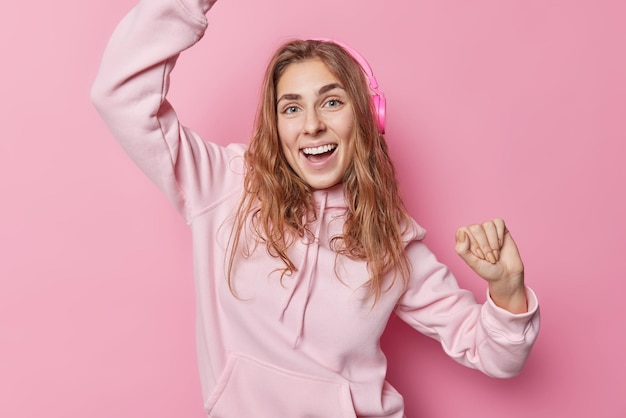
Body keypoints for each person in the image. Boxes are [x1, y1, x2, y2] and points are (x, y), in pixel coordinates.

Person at [91, 0, 540, 416]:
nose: (312, 125)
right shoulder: (223, 184)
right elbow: (119, 95)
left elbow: (496, 355)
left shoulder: (393, 239)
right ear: (275, 124)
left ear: (366, 116)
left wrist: (507, 289)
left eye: (331, 101)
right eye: (291, 108)